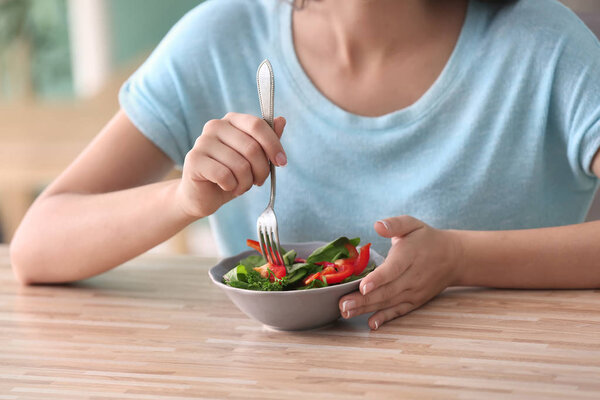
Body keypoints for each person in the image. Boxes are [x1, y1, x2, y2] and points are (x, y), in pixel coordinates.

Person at [10, 0, 600, 330]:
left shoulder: (545, 46)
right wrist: (183, 200)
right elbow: (38, 245)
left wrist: (463, 260)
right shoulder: (220, 36)